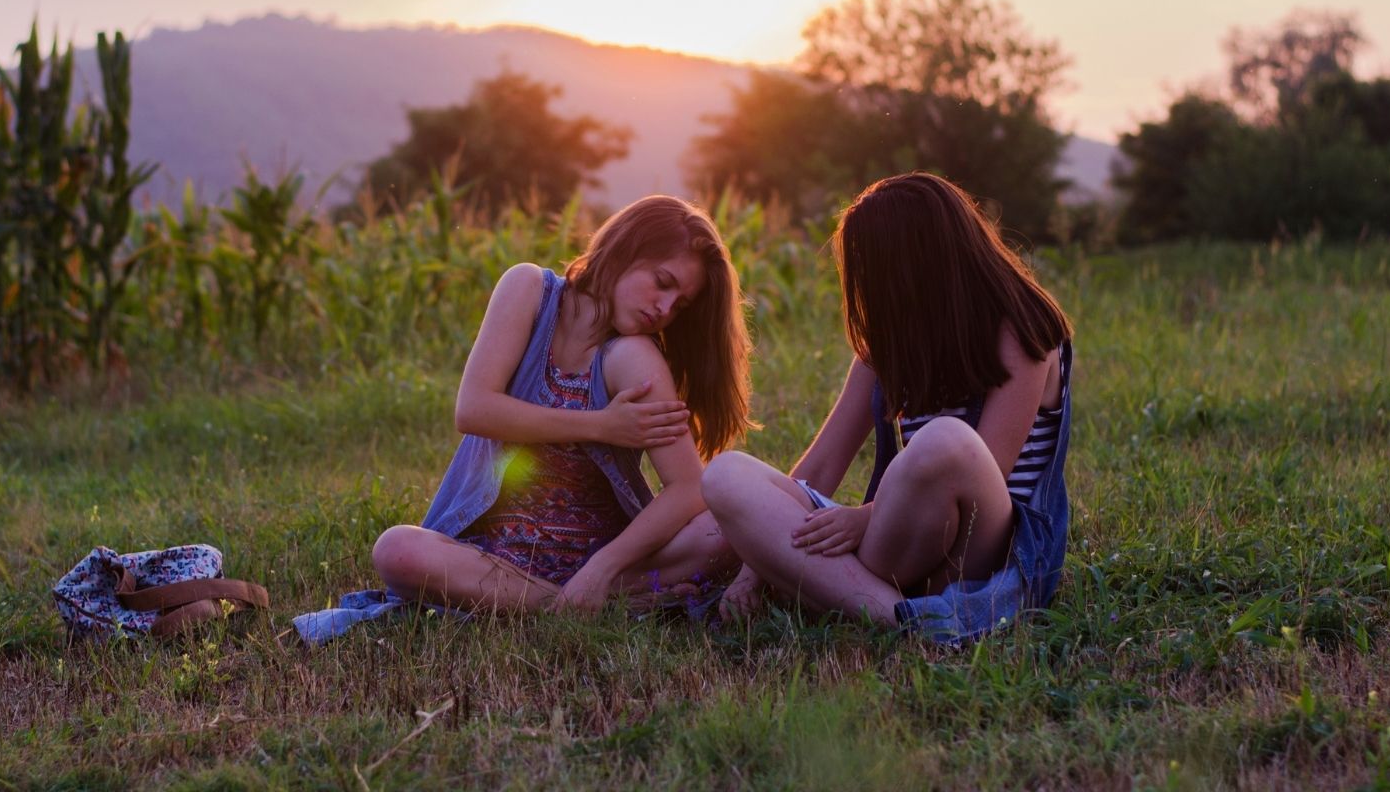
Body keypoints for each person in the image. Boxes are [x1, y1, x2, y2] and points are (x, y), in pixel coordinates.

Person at [702, 173, 1074, 641]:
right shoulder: (890, 342)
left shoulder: (1021, 329)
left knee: (945, 441)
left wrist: (864, 518)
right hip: (901, 544)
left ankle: (846, 596)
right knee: (726, 475)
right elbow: (821, 463)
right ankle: (902, 618)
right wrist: (753, 570)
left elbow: (989, 466)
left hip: (988, 551)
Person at [369, 194, 752, 614]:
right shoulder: (528, 289)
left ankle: (588, 593)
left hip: (607, 563)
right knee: (398, 550)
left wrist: (601, 568)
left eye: (679, 305)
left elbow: (688, 488)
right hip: (491, 557)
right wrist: (600, 426)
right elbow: (474, 409)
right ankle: (579, 605)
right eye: (663, 282)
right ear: (625, 249)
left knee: (730, 522)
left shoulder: (634, 357)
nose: (664, 309)